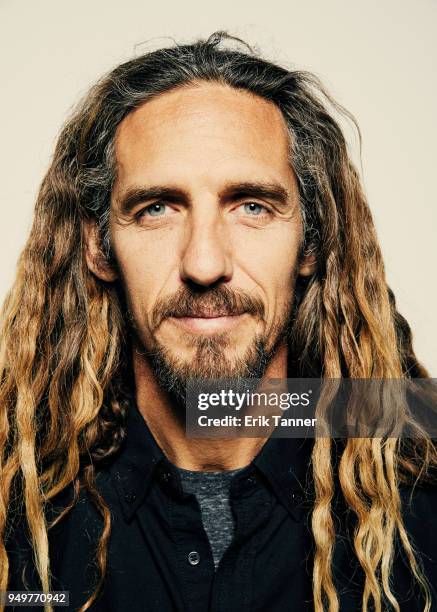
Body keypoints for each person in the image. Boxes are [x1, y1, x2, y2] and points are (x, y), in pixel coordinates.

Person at [1, 31, 436, 612]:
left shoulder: (423, 507)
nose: (204, 264)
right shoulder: (18, 518)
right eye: (156, 207)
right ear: (98, 247)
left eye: (252, 205)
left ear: (310, 241)